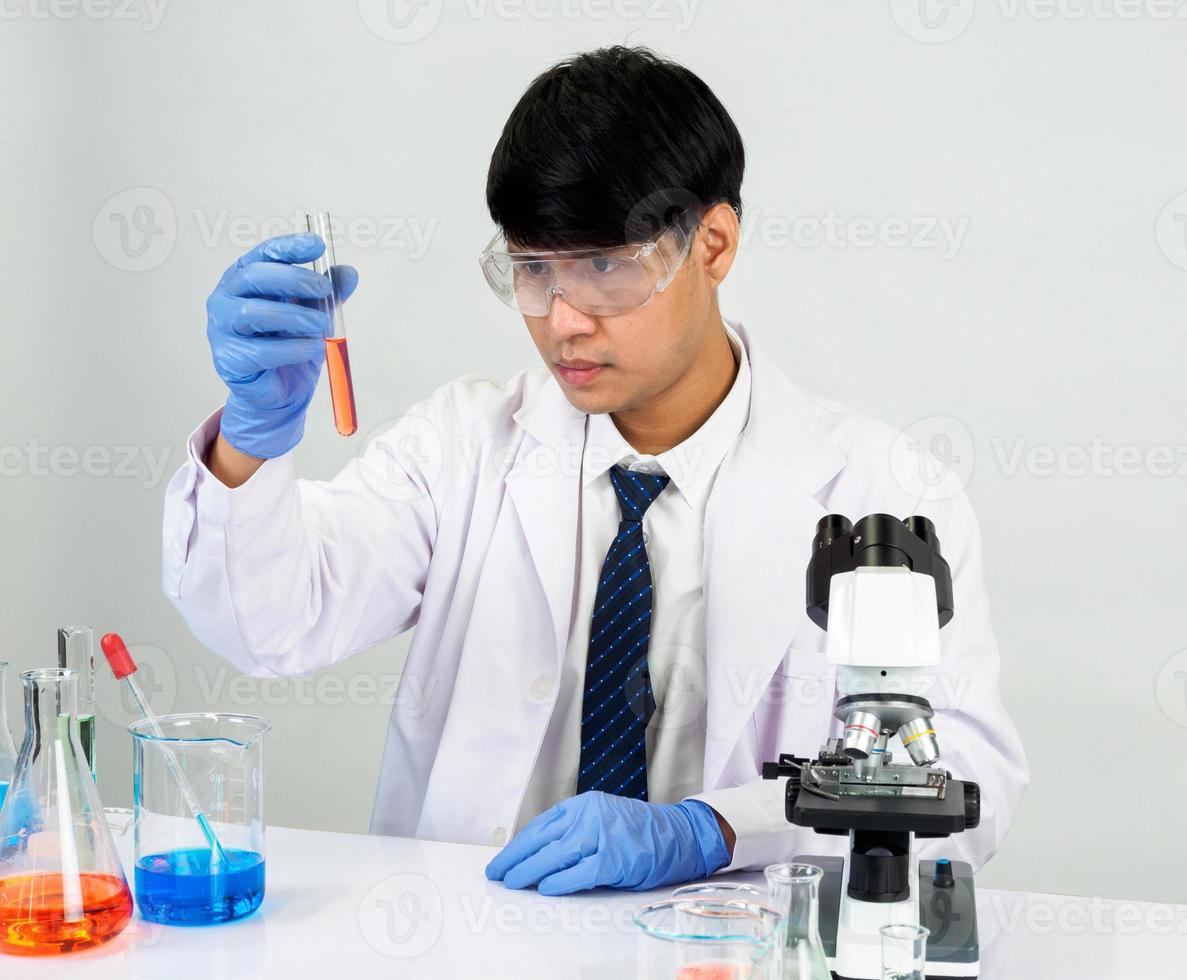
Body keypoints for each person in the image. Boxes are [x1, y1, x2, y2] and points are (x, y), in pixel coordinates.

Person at [163, 45, 1027, 896]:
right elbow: (272, 624)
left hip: (733, 939)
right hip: (476, 939)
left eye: (606, 267)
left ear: (713, 244)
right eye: (534, 271)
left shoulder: (882, 489)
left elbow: (966, 783)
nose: (563, 321)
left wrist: (716, 830)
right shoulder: (459, 445)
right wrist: (251, 440)